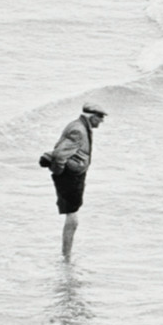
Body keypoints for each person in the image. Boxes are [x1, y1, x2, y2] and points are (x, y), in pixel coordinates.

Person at [45, 103, 107, 259]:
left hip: (73, 174)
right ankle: (66, 255)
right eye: (100, 118)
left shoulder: (80, 126)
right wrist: (60, 171)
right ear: (92, 117)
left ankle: (66, 253)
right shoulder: (78, 130)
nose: (102, 121)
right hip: (70, 176)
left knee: (72, 214)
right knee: (72, 217)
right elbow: (59, 155)